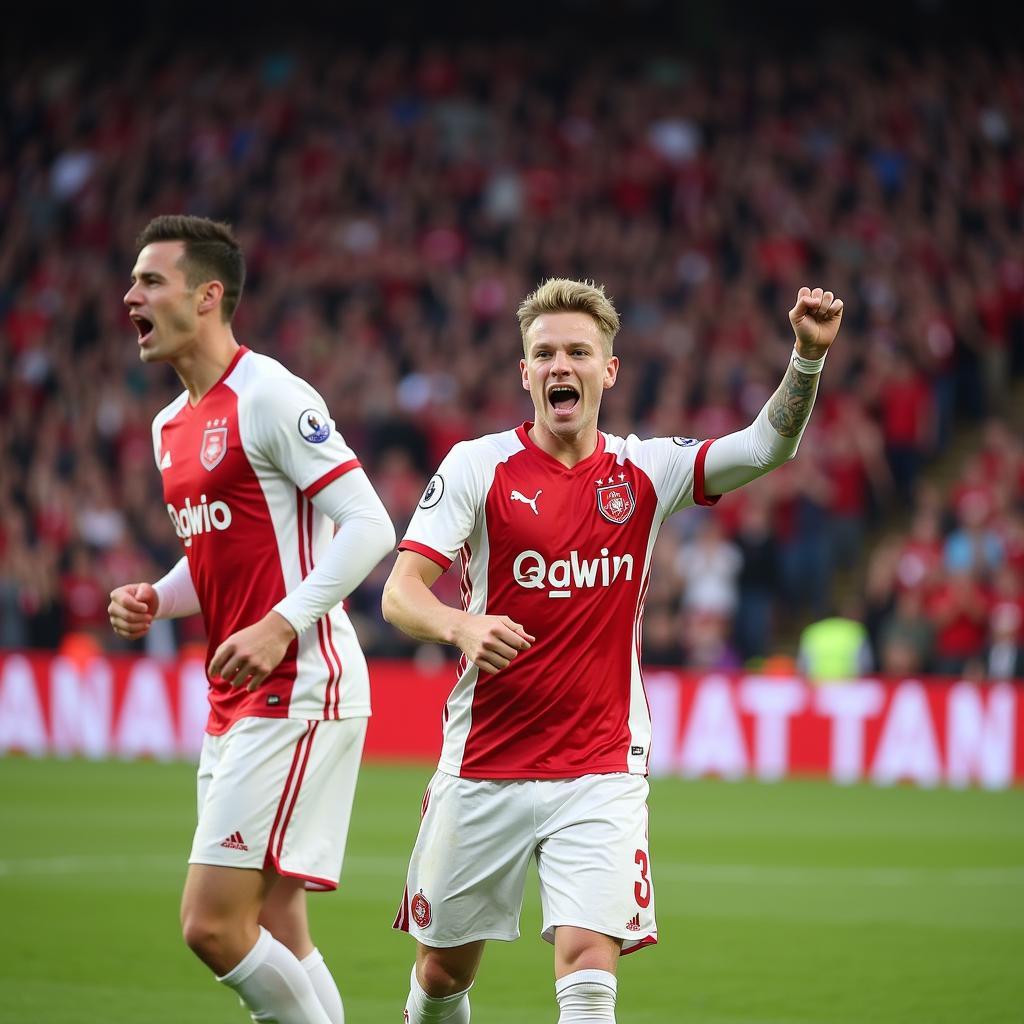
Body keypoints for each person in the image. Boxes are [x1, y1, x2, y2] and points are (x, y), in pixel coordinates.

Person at [381, 278, 844, 1022]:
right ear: (525, 374)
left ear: (609, 370)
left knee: (589, 964)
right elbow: (400, 592)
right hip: (483, 761)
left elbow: (764, 447)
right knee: (440, 973)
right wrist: (461, 627)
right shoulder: (476, 466)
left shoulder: (645, 470)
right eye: (544, 354)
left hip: (599, 766)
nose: (560, 365)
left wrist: (806, 360)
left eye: (577, 352)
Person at [108, 215, 395, 1024]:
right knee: (275, 923)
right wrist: (159, 597)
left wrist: (280, 624)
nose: (130, 295)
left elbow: (371, 524)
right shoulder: (171, 426)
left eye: (150, 280)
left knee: (210, 925)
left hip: (299, 683)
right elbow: (221, 555)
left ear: (207, 296)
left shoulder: (271, 396)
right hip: (237, 695)